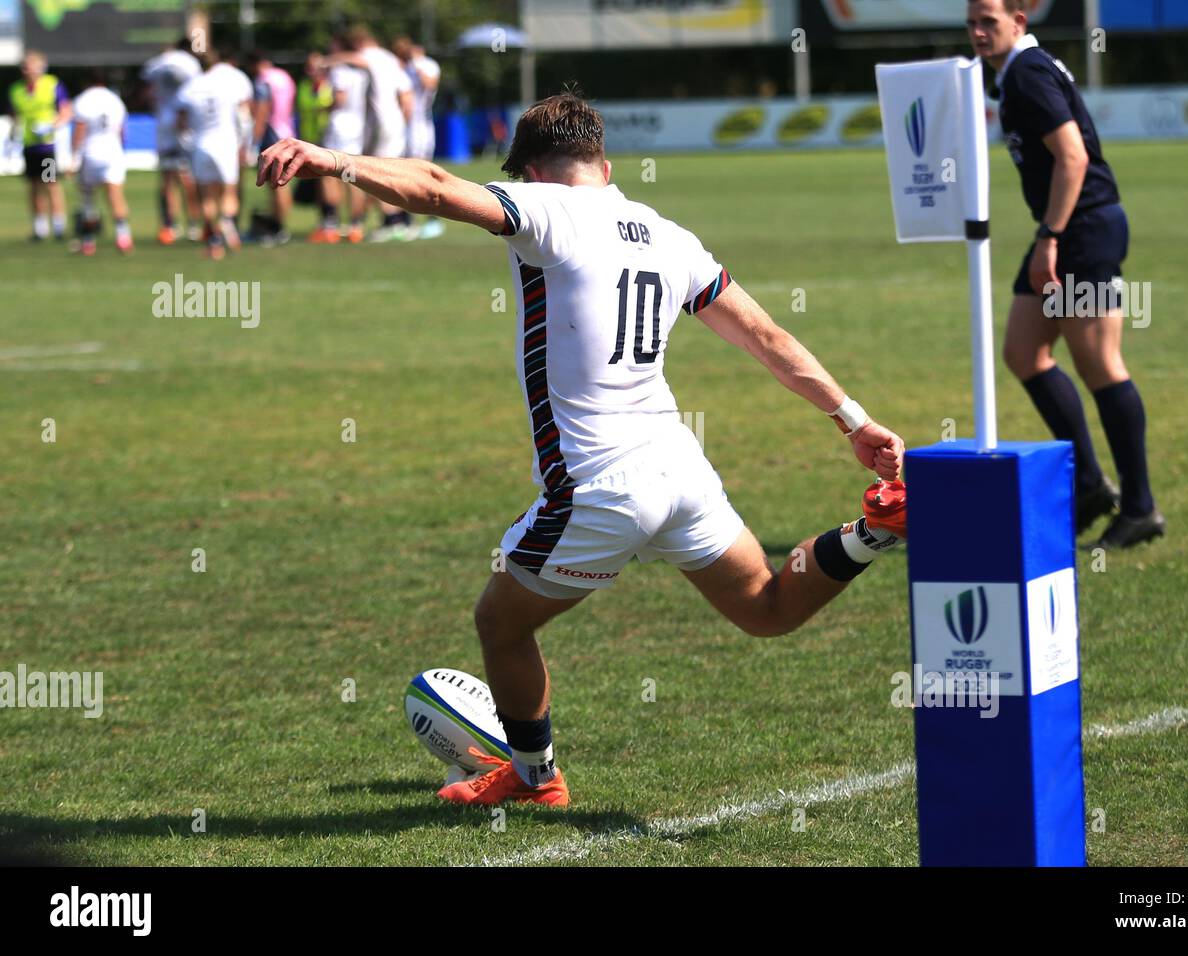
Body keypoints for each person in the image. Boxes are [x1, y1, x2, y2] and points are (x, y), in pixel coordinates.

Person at [257, 93, 909, 808]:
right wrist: (853, 419)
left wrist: (336, 161)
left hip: (601, 485)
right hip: (678, 465)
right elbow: (768, 339)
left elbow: (439, 188)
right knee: (767, 608)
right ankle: (876, 530)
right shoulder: (669, 236)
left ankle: (536, 779)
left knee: (500, 624)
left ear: (532, 170)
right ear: (604, 160)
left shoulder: (547, 210)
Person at [968, 0, 1163, 549]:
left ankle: (1140, 507)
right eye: (972, 23)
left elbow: (1072, 157)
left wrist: (1050, 237)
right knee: (1024, 352)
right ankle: (1090, 486)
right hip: (1066, 229)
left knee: (1101, 365)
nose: (979, 32)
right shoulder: (1017, 73)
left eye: (990, 21)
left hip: (1081, 230)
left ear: (1018, 22)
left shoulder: (1027, 72)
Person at [323, 25, 413, 242]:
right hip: (395, 122)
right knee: (390, 170)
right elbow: (406, 95)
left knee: (379, 173)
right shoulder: (391, 59)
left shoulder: (369, 56)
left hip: (382, 123)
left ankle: (393, 222)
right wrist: (404, 121)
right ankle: (399, 219)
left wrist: (326, 61)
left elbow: (356, 59)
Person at [176, 48, 253, 259]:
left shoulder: (190, 86)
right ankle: (227, 223)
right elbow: (244, 116)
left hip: (202, 144)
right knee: (229, 192)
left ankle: (214, 242)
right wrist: (245, 142)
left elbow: (181, 122)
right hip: (226, 143)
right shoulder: (228, 84)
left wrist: (187, 145)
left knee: (207, 195)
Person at [141, 38, 202, 244]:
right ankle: (194, 225)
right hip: (184, 123)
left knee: (167, 179)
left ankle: (169, 227)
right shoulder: (191, 63)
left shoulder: (155, 63)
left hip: (164, 125)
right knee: (188, 178)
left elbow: (147, 92)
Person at [6, 51, 72, 242]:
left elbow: (66, 111)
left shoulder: (52, 84)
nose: (27, 70)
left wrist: (52, 125)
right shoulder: (16, 89)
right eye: (24, 67)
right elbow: (14, 115)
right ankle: (39, 228)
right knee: (33, 186)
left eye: (31, 66)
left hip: (47, 147)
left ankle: (59, 227)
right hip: (29, 146)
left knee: (51, 184)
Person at [69, 70, 132, 256]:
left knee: (88, 198)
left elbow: (80, 128)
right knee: (116, 196)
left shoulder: (83, 100)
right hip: (113, 152)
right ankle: (123, 237)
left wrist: (74, 157)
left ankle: (88, 242)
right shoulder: (115, 100)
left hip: (91, 152)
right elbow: (122, 131)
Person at [317, 35, 369, 243]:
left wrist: (322, 108)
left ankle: (330, 225)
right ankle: (356, 224)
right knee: (351, 177)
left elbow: (340, 98)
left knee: (330, 174)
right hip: (356, 127)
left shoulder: (340, 72)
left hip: (339, 128)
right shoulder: (360, 73)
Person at [392, 36, 444, 239]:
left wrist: (414, 64)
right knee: (402, 173)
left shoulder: (428, 65)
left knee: (422, 173)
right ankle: (406, 221)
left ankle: (433, 219)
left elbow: (429, 84)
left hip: (420, 127)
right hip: (401, 127)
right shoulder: (399, 68)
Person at [246, 51, 297, 245]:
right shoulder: (284, 77)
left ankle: (278, 227)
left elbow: (262, 110)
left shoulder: (263, 80)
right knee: (282, 182)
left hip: (271, 133)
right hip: (286, 130)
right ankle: (280, 225)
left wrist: (254, 140)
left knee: (275, 184)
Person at [296, 52, 336, 241]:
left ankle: (333, 220)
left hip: (329, 139)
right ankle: (325, 220)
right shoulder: (303, 86)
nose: (310, 71)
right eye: (308, 68)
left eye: (314, 68)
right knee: (320, 182)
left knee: (332, 179)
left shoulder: (331, 87)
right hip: (310, 139)